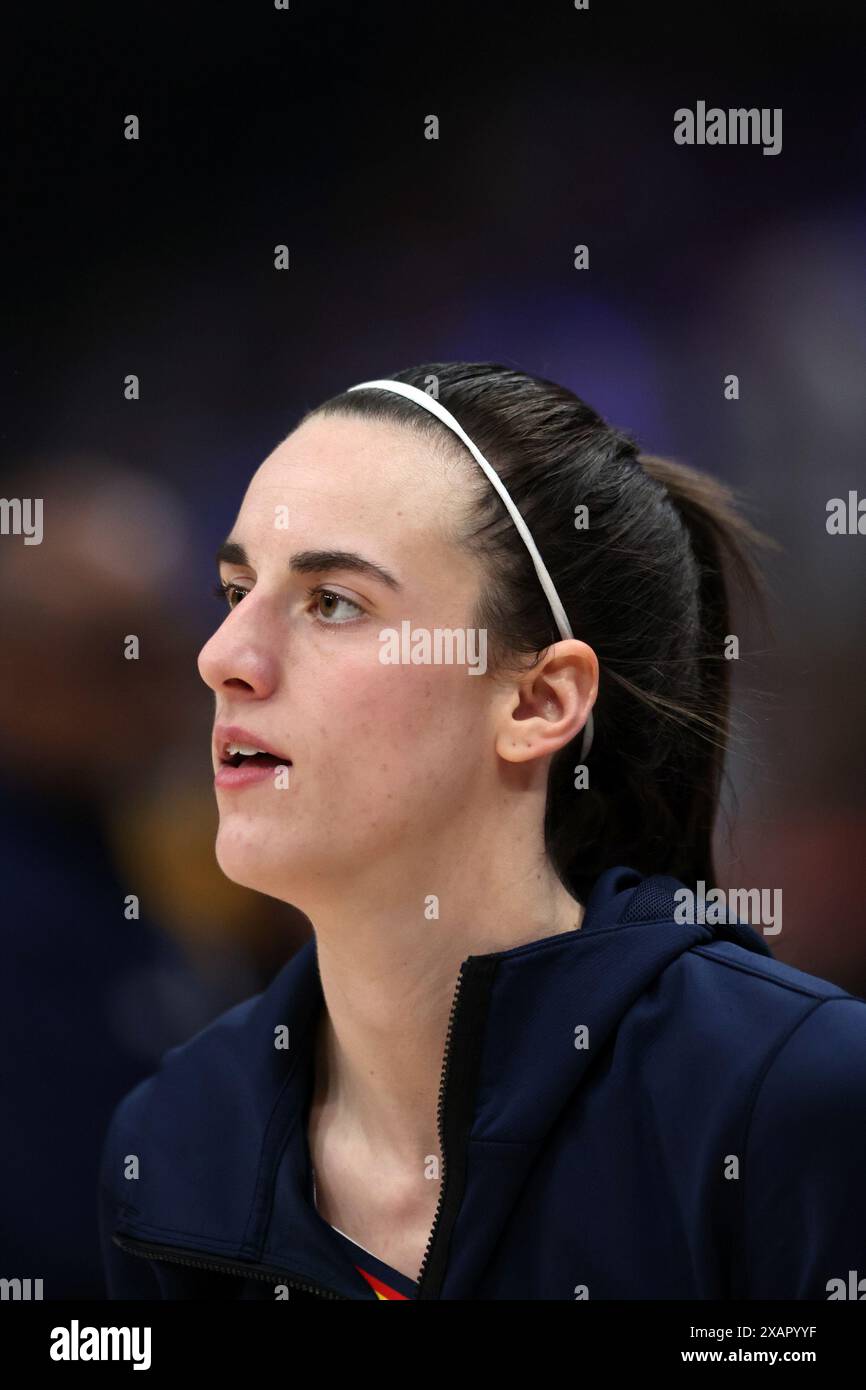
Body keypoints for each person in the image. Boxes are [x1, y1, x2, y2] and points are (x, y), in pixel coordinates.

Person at [98, 362, 866, 1300]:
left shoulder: (798, 1096)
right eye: (234, 592)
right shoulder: (173, 1136)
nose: (223, 658)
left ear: (540, 701)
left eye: (333, 600)